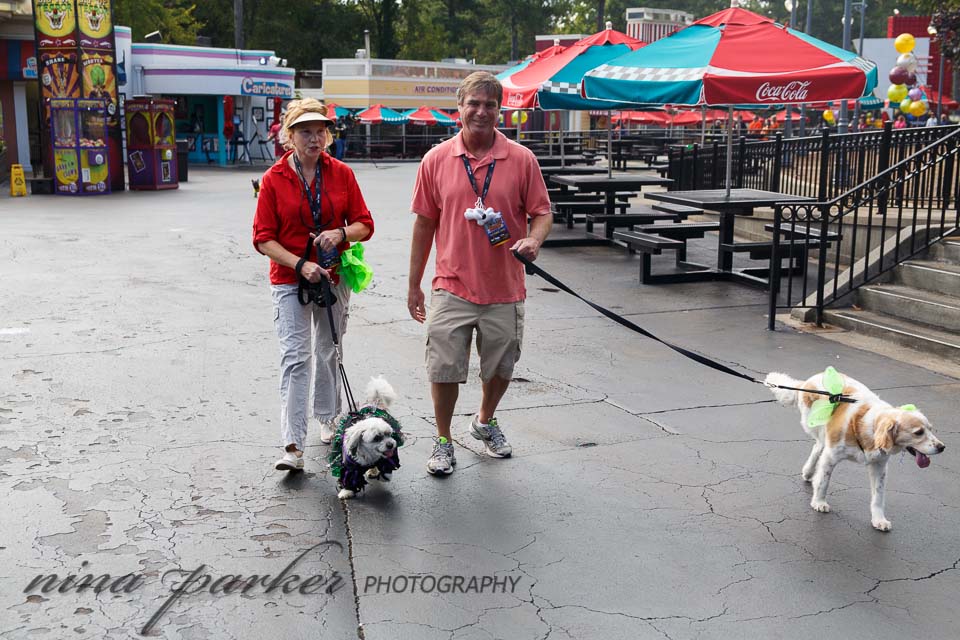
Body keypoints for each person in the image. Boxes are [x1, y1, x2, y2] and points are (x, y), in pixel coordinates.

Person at [407, 71, 552, 476]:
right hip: (451, 285)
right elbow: (423, 225)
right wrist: (414, 284)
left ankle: (484, 420)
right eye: (474, 103)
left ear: (499, 111)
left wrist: (534, 241)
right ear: (460, 109)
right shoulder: (436, 160)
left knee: (502, 367)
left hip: (505, 287)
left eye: (490, 104)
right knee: (444, 367)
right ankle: (442, 440)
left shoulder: (522, 159)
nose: (481, 111)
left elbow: (542, 213)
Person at [252, 98, 375, 472]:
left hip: (332, 276)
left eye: (320, 131)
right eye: (305, 131)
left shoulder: (340, 173)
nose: (315, 138)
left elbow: (365, 224)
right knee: (295, 357)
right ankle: (292, 444)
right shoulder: (275, 179)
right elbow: (262, 238)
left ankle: (328, 417)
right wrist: (299, 263)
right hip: (290, 278)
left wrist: (340, 232)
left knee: (328, 350)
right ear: (290, 136)